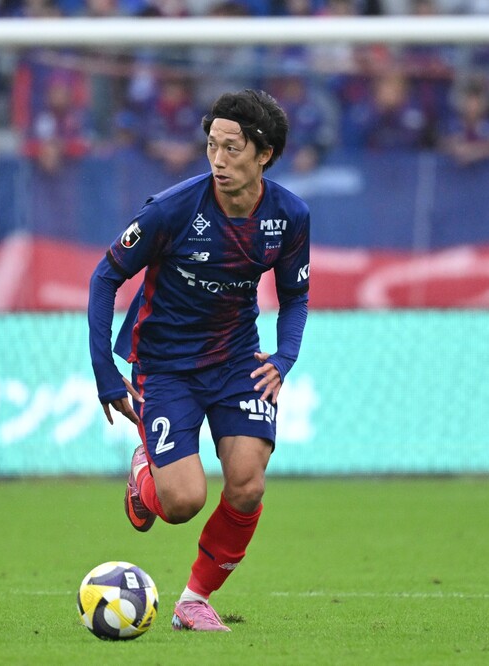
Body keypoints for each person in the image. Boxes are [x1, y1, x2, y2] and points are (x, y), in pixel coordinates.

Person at [87, 89, 310, 632]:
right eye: (212, 145)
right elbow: (105, 275)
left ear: (265, 154)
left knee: (248, 484)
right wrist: (104, 372)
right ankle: (145, 474)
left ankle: (193, 600)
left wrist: (284, 356)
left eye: (232, 148)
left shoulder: (288, 216)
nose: (218, 159)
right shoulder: (173, 209)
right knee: (183, 501)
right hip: (165, 366)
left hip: (237, 360)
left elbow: (295, 294)